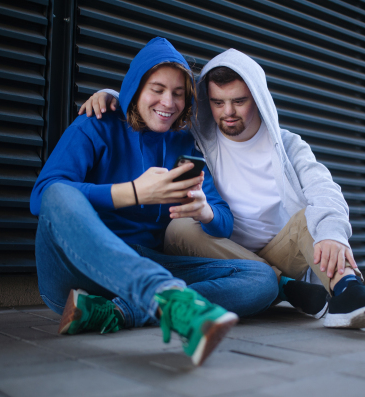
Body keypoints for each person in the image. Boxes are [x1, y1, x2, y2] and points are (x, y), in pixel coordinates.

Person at [82, 49, 365, 329]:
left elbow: (324, 188)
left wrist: (332, 233)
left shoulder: (289, 145)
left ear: (258, 98)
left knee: (313, 218)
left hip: (279, 251)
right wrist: (114, 96)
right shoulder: (199, 137)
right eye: (218, 102)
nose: (227, 112)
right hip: (222, 257)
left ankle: (347, 291)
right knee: (179, 228)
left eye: (239, 101)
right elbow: (160, 106)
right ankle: (283, 286)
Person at [30, 38, 278, 366]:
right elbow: (42, 196)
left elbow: (224, 219)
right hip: (75, 271)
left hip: (145, 261)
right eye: (157, 89)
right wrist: (134, 193)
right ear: (135, 88)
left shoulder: (184, 142)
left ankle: (122, 311)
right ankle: (165, 299)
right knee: (60, 192)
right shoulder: (97, 123)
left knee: (262, 280)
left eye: (178, 93)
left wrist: (205, 210)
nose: (168, 102)